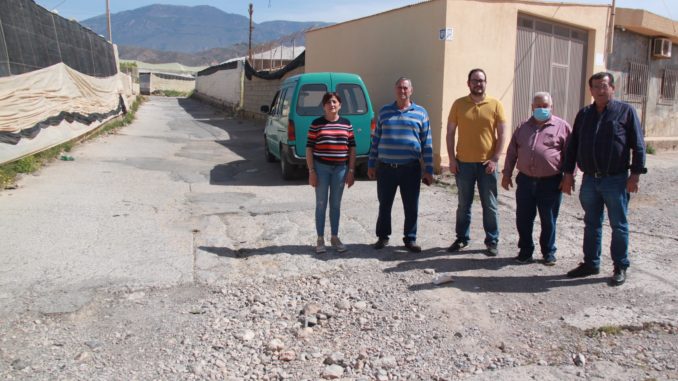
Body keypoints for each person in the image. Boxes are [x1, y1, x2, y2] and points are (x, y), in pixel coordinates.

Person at [561, 72, 646, 286]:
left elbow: (638, 145)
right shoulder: (584, 114)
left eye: (604, 86)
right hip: (590, 180)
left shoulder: (625, 111)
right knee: (591, 223)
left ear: (613, 88)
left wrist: (635, 175)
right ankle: (591, 263)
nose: (600, 90)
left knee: (619, 225)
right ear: (591, 90)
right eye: (596, 86)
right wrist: (568, 174)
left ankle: (620, 265)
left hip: (616, 180)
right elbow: (572, 147)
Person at [501, 92, 572, 266]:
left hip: (551, 182)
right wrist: (506, 173)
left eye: (545, 106)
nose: (541, 109)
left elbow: (571, 154)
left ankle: (548, 252)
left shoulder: (562, 127)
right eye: (538, 106)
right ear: (532, 107)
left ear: (551, 107)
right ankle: (525, 251)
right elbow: (512, 152)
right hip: (525, 181)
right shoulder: (523, 127)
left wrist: (569, 177)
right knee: (523, 218)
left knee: (548, 219)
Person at [367, 77, 433, 253]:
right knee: (384, 204)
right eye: (399, 88)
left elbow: (427, 143)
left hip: (410, 169)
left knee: (411, 205)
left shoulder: (421, 113)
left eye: (405, 88)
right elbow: (376, 140)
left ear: (411, 90)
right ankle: (382, 237)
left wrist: (429, 170)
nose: (402, 91)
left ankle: (410, 239)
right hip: (386, 168)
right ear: (395, 90)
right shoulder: (384, 112)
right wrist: (371, 164)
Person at [446, 68, 507, 256]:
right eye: (474, 80)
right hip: (463, 164)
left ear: (485, 83)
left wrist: (495, 159)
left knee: (490, 205)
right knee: (464, 204)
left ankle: (492, 241)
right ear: (468, 83)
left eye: (481, 80)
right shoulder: (458, 104)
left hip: (486, 165)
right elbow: (450, 133)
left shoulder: (496, 104)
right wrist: (452, 159)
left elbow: (503, 133)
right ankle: (462, 238)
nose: (478, 84)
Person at [306, 92, 356, 254]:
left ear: (340, 105)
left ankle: (334, 237)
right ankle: (320, 239)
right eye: (328, 102)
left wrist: (351, 170)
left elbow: (352, 148)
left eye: (334, 102)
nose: (331, 105)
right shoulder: (316, 124)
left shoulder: (347, 124)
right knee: (321, 204)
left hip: (340, 170)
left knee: (335, 204)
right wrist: (311, 171)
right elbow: (309, 148)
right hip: (321, 169)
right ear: (324, 106)